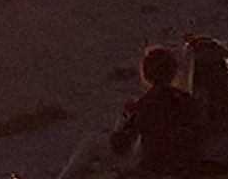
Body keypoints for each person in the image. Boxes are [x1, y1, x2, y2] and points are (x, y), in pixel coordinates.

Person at [56, 45, 203, 179]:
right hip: (183, 169)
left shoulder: (143, 104)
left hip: (151, 170)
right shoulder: (187, 100)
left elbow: (119, 144)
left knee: (92, 142)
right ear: (173, 71)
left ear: (146, 74)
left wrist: (120, 126)